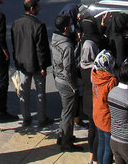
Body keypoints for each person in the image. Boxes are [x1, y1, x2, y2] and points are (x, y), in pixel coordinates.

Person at [11, 0, 51, 131]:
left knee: (24, 91)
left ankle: (26, 117)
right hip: (36, 64)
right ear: (33, 9)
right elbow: (41, 49)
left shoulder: (16, 23)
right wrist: (43, 66)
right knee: (40, 93)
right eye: (38, 7)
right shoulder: (38, 26)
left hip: (22, 63)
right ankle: (41, 118)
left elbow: (14, 43)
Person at [50, 14, 79, 151]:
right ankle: (66, 142)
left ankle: (63, 135)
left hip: (58, 78)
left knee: (65, 110)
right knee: (69, 114)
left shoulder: (55, 39)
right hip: (66, 82)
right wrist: (73, 87)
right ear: (66, 28)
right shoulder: (67, 46)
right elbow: (68, 70)